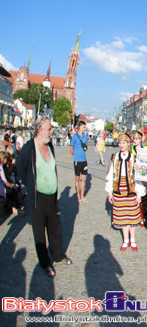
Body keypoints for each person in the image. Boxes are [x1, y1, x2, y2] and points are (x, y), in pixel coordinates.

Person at [17, 116, 72, 277]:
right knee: (39, 231)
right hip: (37, 197)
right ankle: (45, 263)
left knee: (55, 228)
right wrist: (29, 187)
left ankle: (58, 255)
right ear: (40, 129)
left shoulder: (50, 146)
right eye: (49, 129)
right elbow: (21, 169)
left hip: (52, 196)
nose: (51, 131)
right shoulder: (29, 148)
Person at [105, 133, 146, 251]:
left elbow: (138, 177)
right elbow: (110, 174)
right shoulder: (115, 157)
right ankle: (125, 240)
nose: (121, 145)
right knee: (122, 216)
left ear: (129, 144)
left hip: (131, 189)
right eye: (120, 143)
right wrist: (109, 192)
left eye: (124, 143)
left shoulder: (134, 158)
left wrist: (139, 194)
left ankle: (132, 239)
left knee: (132, 216)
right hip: (119, 189)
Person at [70, 121, 89, 203]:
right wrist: (76, 156)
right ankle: (78, 196)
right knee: (77, 178)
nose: (85, 128)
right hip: (77, 160)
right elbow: (71, 149)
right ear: (80, 127)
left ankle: (82, 195)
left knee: (84, 179)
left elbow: (86, 147)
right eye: (84, 127)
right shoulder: (74, 137)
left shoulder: (85, 137)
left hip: (84, 160)